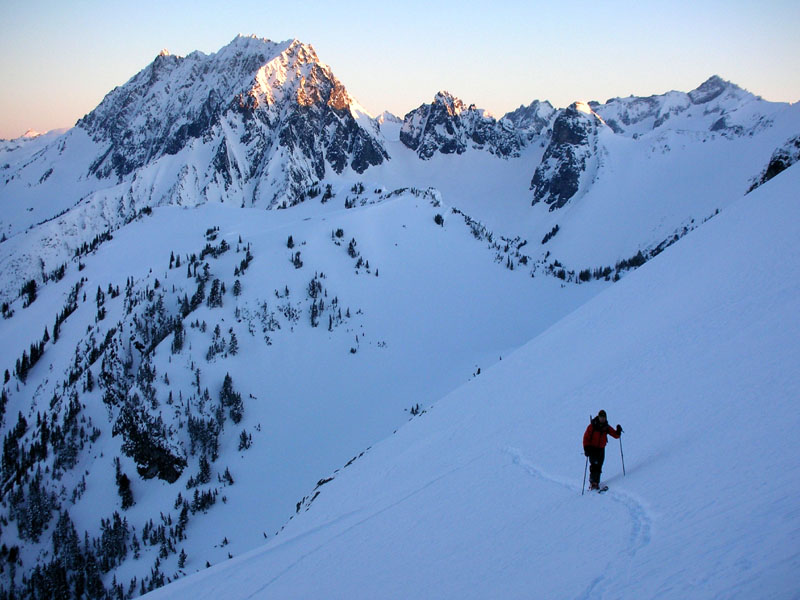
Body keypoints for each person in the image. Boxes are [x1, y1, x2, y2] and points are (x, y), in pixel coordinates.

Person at [583, 410, 622, 490]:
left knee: (599, 465)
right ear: (598, 417)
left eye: (604, 417)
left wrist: (618, 431)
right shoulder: (592, 426)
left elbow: (615, 435)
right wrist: (586, 448)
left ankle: (596, 482)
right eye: (601, 417)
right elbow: (586, 438)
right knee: (594, 465)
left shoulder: (606, 427)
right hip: (592, 449)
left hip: (601, 449)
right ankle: (593, 483)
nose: (602, 419)